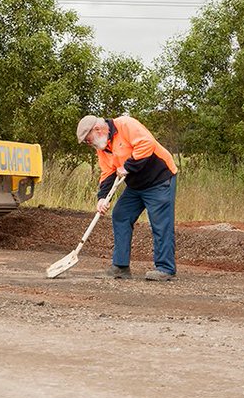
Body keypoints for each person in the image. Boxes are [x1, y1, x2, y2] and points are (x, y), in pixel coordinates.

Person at [76, 114, 178, 281]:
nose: (89, 144)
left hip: (159, 179)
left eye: (88, 140)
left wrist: (128, 166)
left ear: (98, 129)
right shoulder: (103, 146)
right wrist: (102, 197)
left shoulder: (126, 124)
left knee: (160, 223)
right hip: (136, 185)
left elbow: (147, 144)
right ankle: (121, 267)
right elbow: (107, 171)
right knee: (121, 215)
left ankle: (165, 268)